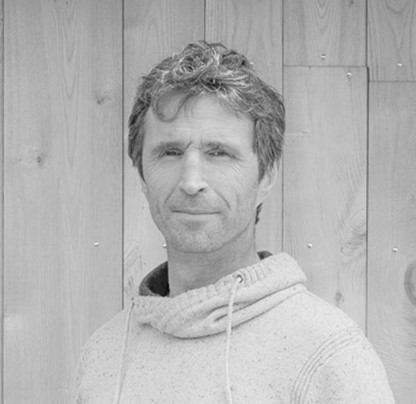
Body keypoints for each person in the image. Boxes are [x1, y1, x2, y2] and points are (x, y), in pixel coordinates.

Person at [73, 41, 395, 403]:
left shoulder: (329, 356)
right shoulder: (102, 356)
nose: (191, 181)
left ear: (267, 176)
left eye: (220, 153)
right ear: (143, 176)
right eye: (170, 152)